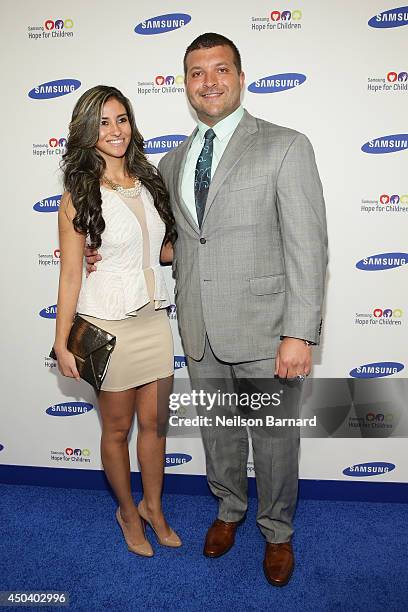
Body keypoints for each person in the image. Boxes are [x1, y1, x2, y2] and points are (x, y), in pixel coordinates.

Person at [88, 33, 328, 586]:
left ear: (241, 77)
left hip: (267, 329)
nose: (209, 81)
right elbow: (172, 241)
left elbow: (308, 246)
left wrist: (300, 333)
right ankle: (229, 511)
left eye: (221, 69)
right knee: (219, 433)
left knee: (272, 438)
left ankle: (277, 529)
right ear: (186, 85)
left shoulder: (285, 145)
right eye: (197, 72)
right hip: (198, 327)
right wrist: (106, 247)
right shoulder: (172, 162)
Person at [53, 85, 181, 557]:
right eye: (104, 122)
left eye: (122, 119)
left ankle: (154, 507)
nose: (115, 130)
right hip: (109, 323)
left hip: (153, 319)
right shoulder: (79, 195)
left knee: (155, 426)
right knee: (116, 431)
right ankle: (127, 512)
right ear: (87, 132)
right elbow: (70, 275)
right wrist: (62, 342)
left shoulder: (149, 181)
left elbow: (163, 249)